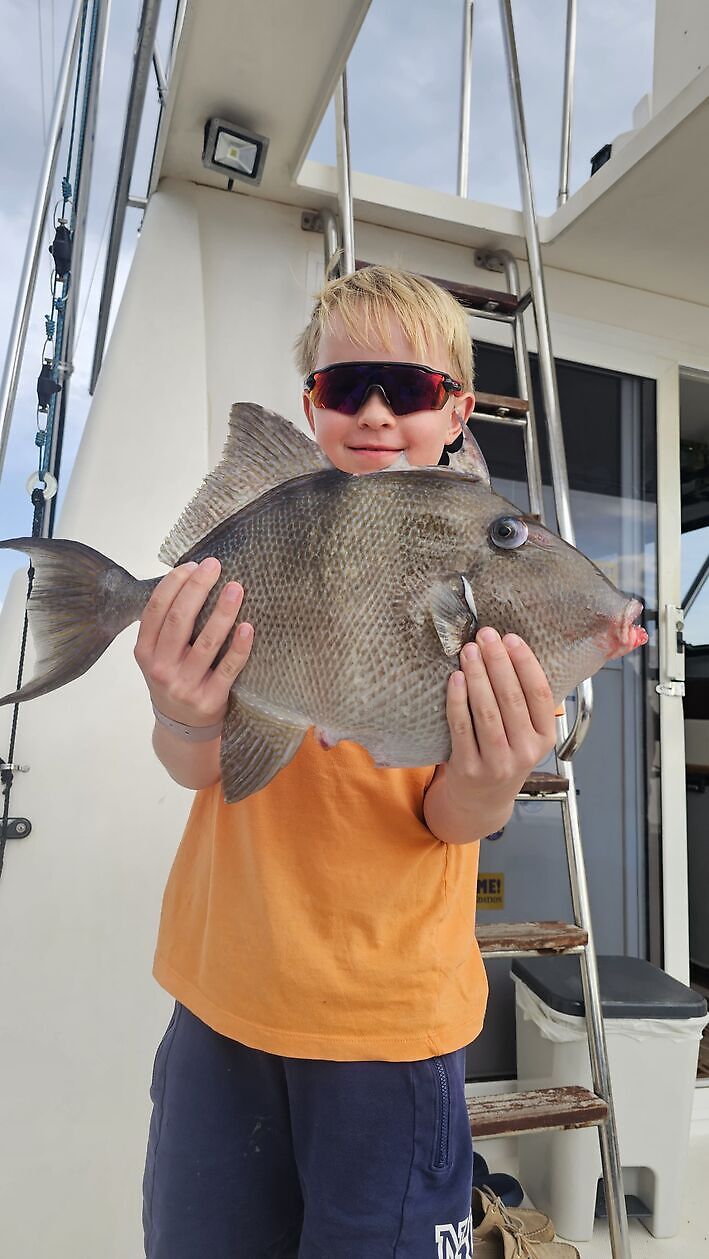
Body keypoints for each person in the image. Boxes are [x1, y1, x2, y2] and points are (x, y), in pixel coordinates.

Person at [136, 265, 557, 1258]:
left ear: (455, 411)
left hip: (388, 1020)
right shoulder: (269, 532)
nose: (373, 411)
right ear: (310, 406)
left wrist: (492, 777)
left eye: (407, 388)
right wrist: (177, 709)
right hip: (221, 998)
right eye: (344, 386)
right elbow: (197, 766)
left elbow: (452, 817)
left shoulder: (485, 558)